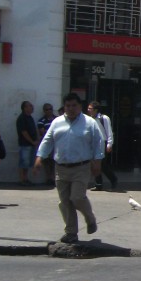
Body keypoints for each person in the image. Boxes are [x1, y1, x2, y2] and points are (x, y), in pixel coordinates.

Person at [32, 92, 104, 243]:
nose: (71, 108)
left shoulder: (89, 123)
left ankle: (90, 218)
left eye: (74, 105)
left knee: (77, 197)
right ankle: (71, 232)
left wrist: (97, 161)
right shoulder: (57, 122)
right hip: (61, 168)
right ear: (64, 107)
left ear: (80, 107)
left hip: (81, 167)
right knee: (65, 201)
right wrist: (40, 157)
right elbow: (47, 140)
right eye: (68, 106)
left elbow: (98, 142)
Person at [87, 100, 118, 191]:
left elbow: (109, 131)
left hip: (103, 142)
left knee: (102, 164)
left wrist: (109, 144)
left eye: (90, 108)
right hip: (93, 143)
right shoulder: (89, 119)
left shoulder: (104, 118)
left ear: (96, 110)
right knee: (95, 164)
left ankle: (113, 179)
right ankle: (98, 184)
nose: (88, 110)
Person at [16, 100, 38, 185]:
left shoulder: (30, 117)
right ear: (24, 108)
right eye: (30, 106)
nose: (32, 107)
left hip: (31, 144)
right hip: (25, 144)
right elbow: (24, 132)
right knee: (23, 162)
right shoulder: (22, 118)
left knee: (28, 163)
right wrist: (32, 141)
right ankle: (22, 180)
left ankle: (26, 178)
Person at [36, 102, 58, 186]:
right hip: (46, 144)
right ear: (44, 111)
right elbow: (42, 132)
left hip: (56, 144)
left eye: (50, 109)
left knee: (54, 162)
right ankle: (48, 178)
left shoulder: (56, 119)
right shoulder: (41, 121)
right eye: (47, 109)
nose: (49, 111)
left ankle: (53, 178)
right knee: (47, 162)